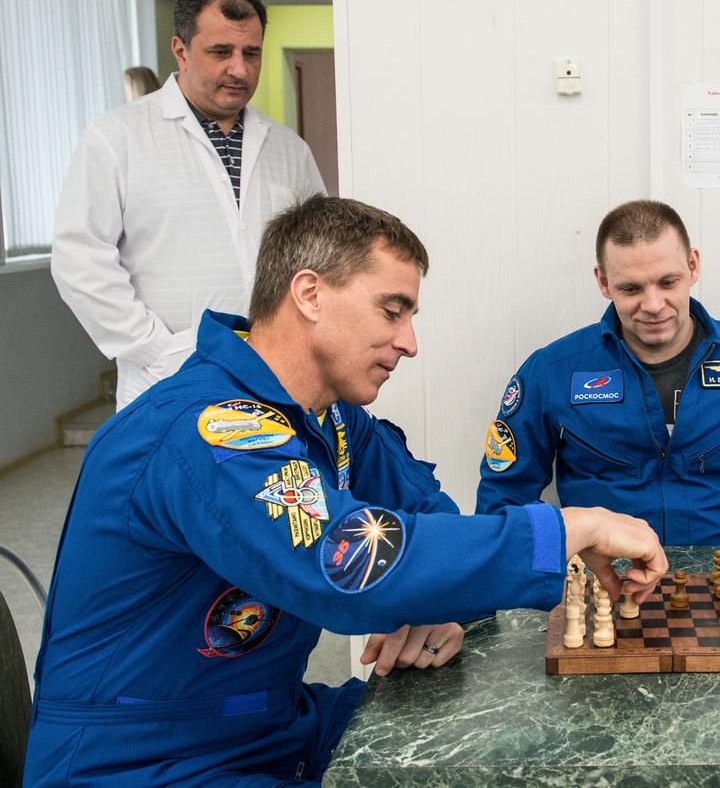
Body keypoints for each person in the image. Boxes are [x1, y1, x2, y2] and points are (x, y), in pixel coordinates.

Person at [24, 196, 667, 786]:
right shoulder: (209, 431)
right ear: (309, 293)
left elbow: (424, 518)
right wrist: (569, 528)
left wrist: (431, 600)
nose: (409, 343)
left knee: (515, 754)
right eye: (392, 311)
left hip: (271, 724)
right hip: (147, 757)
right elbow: (345, 562)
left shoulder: (328, 415)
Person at [476, 199, 720, 545]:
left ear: (693, 266)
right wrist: (549, 576)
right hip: (600, 584)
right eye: (631, 288)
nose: (653, 305)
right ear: (603, 282)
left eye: (668, 282)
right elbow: (505, 494)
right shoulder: (552, 372)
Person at [52, 0, 326, 411]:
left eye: (251, 53)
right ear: (180, 50)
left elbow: (318, 258)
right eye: (221, 52)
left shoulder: (289, 149)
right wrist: (159, 350)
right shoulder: (117, 138)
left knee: (271, 480)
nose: (239, 69)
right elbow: (79, 260)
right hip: (165, 383)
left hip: (275, 381)